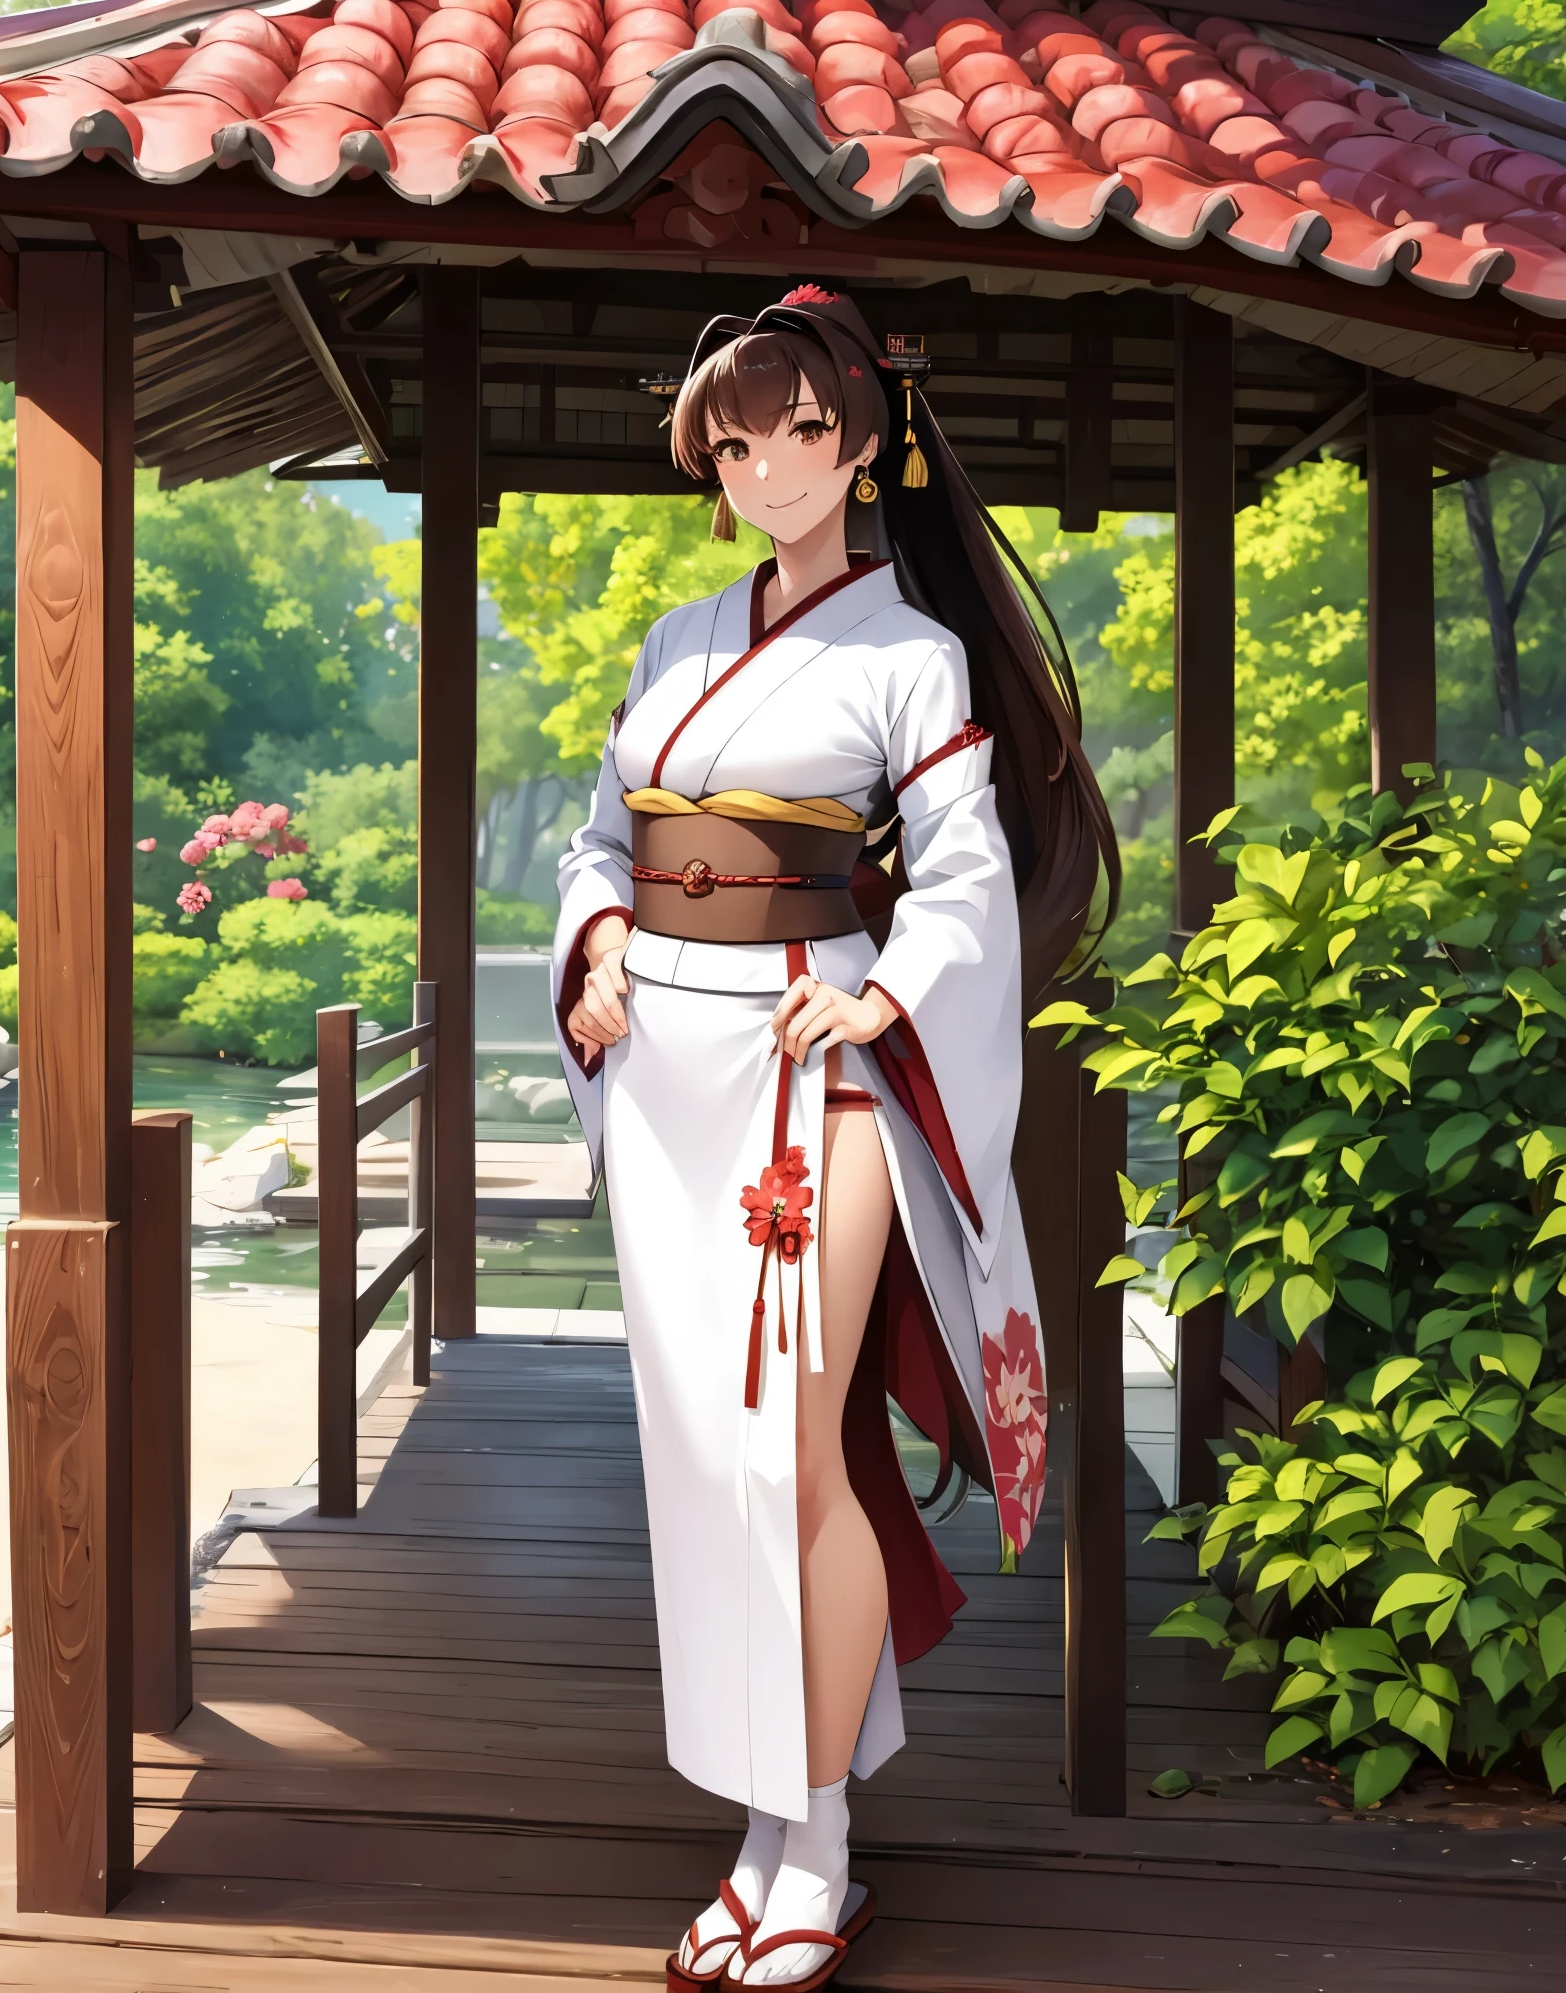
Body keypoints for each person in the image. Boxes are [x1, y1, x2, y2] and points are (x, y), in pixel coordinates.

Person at [551, 287, 1118, 1992]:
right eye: (734, 441)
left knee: (788, 1455)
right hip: (663, 1063)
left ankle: (819, 1841)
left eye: (800, 431)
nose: (767, 467)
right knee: (705, 1469)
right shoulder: (671, 640)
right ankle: (764, 1824)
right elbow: (602, 837)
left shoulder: (910, 653)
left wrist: (887, 1001)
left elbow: (955, 876)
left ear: (867, 441)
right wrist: (589, 948)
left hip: (818, 1058)